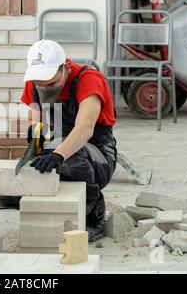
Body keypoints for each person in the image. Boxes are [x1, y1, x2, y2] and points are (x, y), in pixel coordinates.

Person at [21, 39, 117, 242]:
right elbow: (34, 115)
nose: (46, 89)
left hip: (97, 153)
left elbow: (85, 128)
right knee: (35, 168)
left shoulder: (88, 79)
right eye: (41, 85)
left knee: (69, 159)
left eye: (52, 83)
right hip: (60, 144)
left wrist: (57, 155)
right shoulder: (34, 81)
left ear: (65, 67)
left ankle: (94, 215)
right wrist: (34, 130)